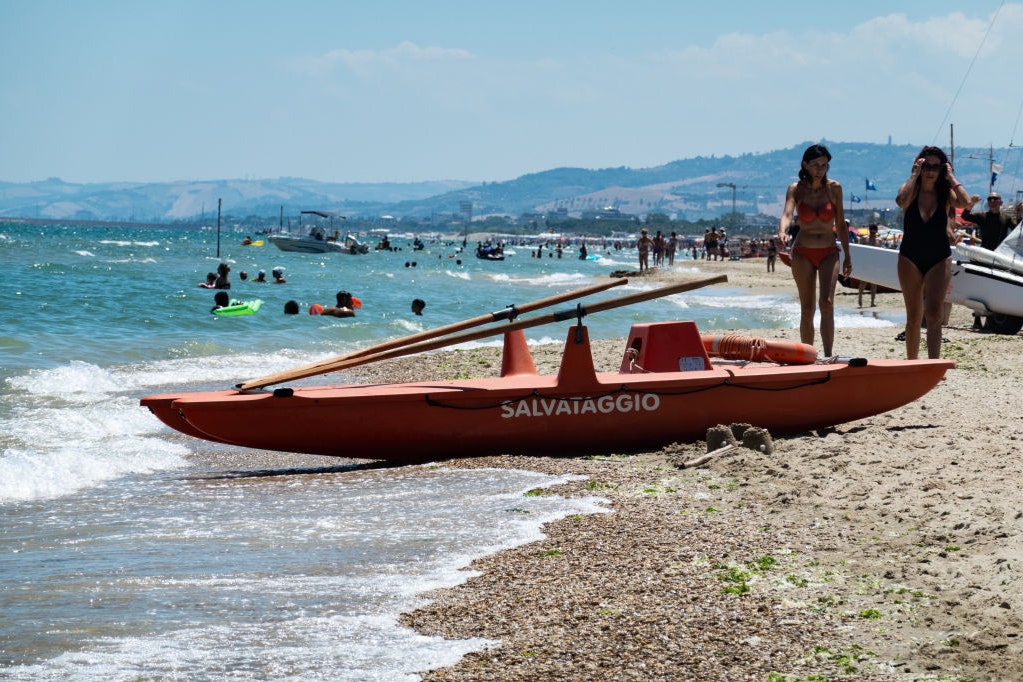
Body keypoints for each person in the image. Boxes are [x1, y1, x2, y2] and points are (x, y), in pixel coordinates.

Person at [895, 145, 971, 359]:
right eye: (926, 165)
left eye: (936, 167)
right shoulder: (911, 189)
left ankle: (933, 363)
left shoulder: (946, 194)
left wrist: (952, 177)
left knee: (935, 313)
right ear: (919, 165)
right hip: (910, 256)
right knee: (913, 316)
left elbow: (965, 202)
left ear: (942, 170)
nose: (930, 170)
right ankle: (912, 363)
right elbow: (901, 202)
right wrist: (913, 176)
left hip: (939, 256)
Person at [778, 143, 850, 357]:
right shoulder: (796, 189)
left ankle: (827, 354)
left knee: (826, 303)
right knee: (807, 308)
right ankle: (807, 355)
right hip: (803, 252)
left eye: (825, 165)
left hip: (829, 250)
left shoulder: (834, 188)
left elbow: (841, 223)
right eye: (816, 165)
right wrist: (783, 231)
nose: (821, 169)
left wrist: (848, 256)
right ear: (805, 165)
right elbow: (787, 214)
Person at [858, 224, 880, 308]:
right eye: (872, 230)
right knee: (863, 282)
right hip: (865, 263)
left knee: (874, 283)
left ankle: (872, 302)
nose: (873, 232)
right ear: (870, 230)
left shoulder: (879, 240)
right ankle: (860, 298)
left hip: (875, 264)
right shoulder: (864, 239)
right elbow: (860, 250)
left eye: (874, 230)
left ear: (876, 231)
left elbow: (880, 253)